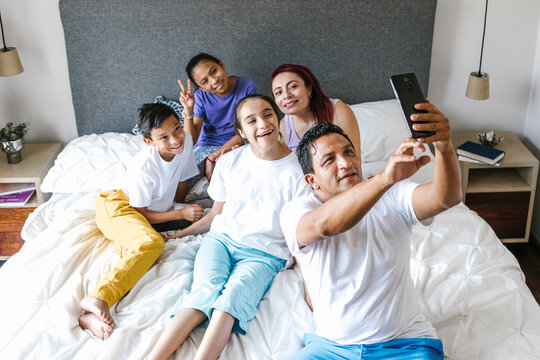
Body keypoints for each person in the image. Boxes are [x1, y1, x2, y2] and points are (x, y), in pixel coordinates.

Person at [280, 101, 462, 360]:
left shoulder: (393, 195)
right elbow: (325, 225)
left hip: (404, 343)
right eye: (330, 160)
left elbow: (446, 197)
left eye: (349, 152)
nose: (345, 163)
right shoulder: (297, 210)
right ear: (312, 180)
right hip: (332, 348)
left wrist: (444, 146)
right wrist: (385, 177)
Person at [147, 94, 311, 360]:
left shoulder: (298, 172)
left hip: (265, 254)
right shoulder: (230, 161)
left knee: (231, 300)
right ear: (241, 132)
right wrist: (178, 235)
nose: (262, 124)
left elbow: (299, 234)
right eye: (251, 120)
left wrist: (309, 284)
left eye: (268, 114)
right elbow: (216, 214)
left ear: (279, 119)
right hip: (221, 241)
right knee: (203, 294)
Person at [78, 103, 204, 340]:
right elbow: (142, 213)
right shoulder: (144, 166)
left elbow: (181, 182)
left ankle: (92, 314)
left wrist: (182, 207)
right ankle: (97, 298)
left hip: (145, 213)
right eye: (164, 137)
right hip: (118, 206)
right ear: (149, 142)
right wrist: (180, 215)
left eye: (176, 128)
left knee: (138, 256)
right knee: (152, 244)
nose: (175, 139)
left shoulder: (184, 141)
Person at [178, 53, 258, 191]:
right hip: (207, 144)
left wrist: (214, 156)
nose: (214, 81)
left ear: (222, 65)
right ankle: (178, 208)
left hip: (239, 142)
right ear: (201, 88)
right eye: (205, 81)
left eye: (214, 71)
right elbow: (191, 141)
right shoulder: (201, 97)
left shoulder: (247, 87)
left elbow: (250, 130)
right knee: (182, 177)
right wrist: (188, 110)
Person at [270, 63, 360, 153]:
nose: (286, 95)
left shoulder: (338, 111)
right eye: (278, 92)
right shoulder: (282, 128)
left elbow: (354, 160)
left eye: (293, 86)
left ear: (309, 88)